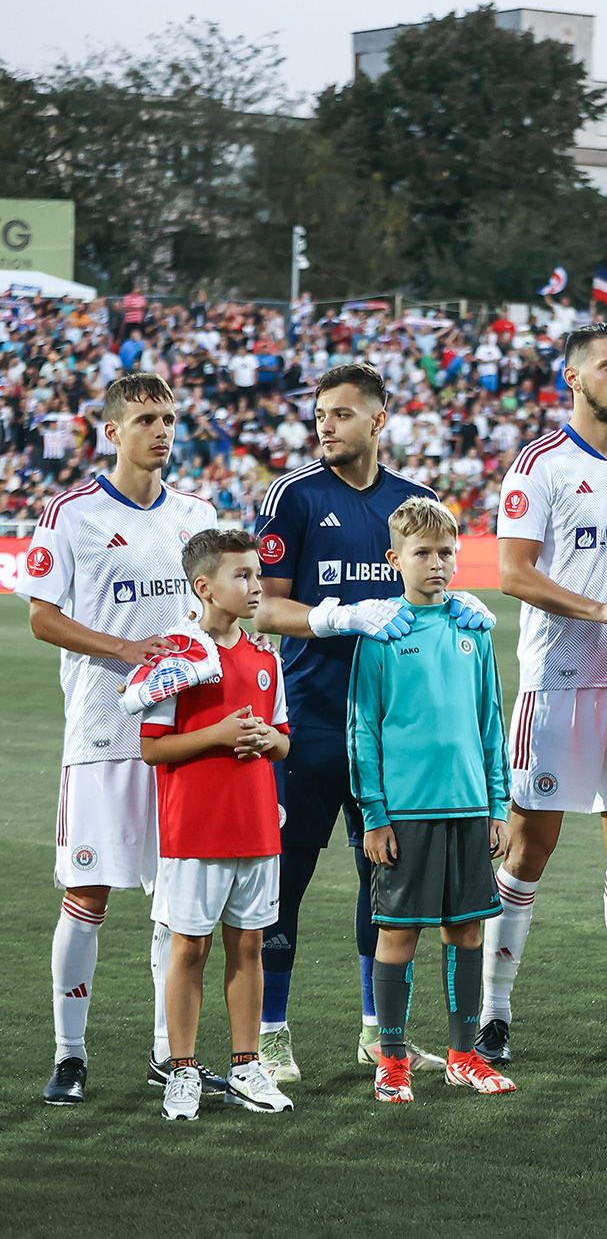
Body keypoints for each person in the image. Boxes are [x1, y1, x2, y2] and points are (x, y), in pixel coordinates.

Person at [252, 361, 489, 1081]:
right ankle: (270, 1032)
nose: (325, 424)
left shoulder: (416, 502)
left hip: (393, 738)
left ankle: (373, 1033)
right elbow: (264, 606)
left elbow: (433, 591)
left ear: (379, 419)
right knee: (285, 879)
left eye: (342, 413)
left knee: (382, 881)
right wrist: (338, 617)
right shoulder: (293, 495)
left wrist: (457, 606)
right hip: (311, 722)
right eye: (320, 413)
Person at [481, 324, 607, 1066]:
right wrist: (597, 610)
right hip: (559, 683)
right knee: (530, 845)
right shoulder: (540, 465)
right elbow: (513, 571)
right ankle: (495, 1012)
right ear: (573, 377)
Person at [23, 373, 218, 1107]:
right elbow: (42, 617)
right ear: (112, 431)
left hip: (182, 738)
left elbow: (215, 610)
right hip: (103, 734)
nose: (162, 431)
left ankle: (171, 1054)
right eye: (145, 419)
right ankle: (70, 1055)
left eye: (169, 418)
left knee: (178, 904)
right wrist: (126, 649)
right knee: (87, 896)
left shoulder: (197, 515)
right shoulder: (70, 513)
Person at [349, 497, 516, 1101]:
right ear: (395, 559)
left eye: (447, 552)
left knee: (466, 932)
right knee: (398, 934)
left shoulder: (473, 628)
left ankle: (463, 1056)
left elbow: (490, 720)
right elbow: (362, 730)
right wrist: (374, 816)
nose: (438, 563)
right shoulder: (381, 635)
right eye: (423, 553)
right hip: (406, 814)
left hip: (469, 809)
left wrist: (498, 805)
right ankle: (392, 1060)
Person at [141, 529, 294, 1118]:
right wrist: (220, 734)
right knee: (190, 949)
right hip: (195, 831)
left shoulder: (265, 657)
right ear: (204, 587)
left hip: (256, 826)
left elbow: (284, 740)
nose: (256, 585)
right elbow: (153, 748)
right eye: (242, 575)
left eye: (257, 573)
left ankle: (246, 1066)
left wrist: (266, 738)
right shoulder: (176, 658)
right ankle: (181, 1070)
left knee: (249, 946)